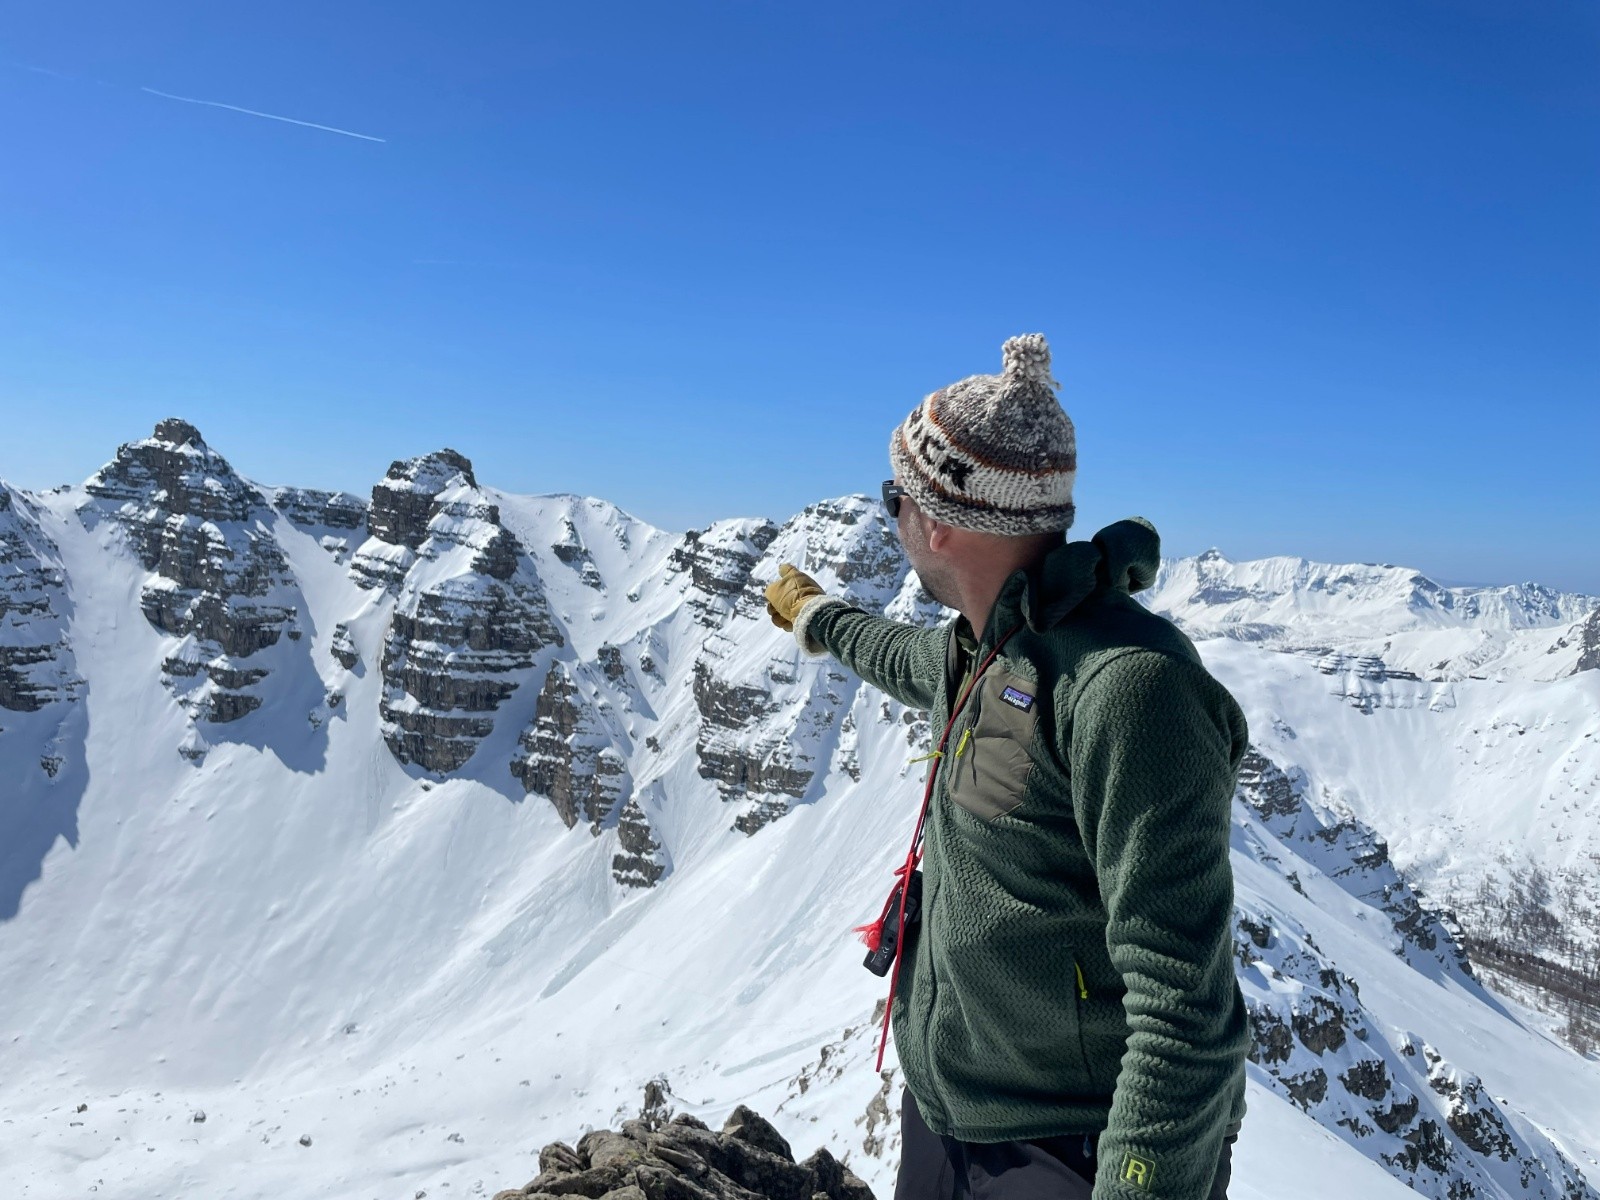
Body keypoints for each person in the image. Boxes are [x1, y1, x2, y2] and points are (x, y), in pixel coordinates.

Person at [763, 334, 1249, 1200]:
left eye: (894, 501)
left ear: (938, 522)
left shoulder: (1128, 690)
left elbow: (1187, 1011)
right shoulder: (990, 649)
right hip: (951, 1122)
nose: (894, 521)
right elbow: (903, 655)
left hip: (1068, 1149)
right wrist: (818, 618)